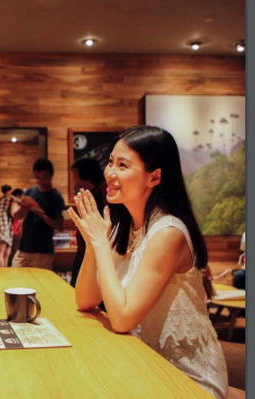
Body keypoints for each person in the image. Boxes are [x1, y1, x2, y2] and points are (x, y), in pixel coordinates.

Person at [70, 126, 228, 399]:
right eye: (110, 162)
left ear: (154, 177)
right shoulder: (126, 226)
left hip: (186, 376)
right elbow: (86, 300)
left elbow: (122, 319)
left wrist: (99, 242)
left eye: (123, 165)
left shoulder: (169, 232)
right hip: (141, 360)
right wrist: (93, 245)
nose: (110, 173)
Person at [12, 159, 66, 269]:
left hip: (43, 252)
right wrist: (24, 206)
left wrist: (42, 215)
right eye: (38, 178)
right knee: (14, 279)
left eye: (44, 178)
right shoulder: (29, 192)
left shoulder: (56, 197)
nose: (41, 181)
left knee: (38, 284)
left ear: (51, 175)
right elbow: (17, 216)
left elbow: (60, 226)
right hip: (23, 249)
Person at [69, 158, 107, 287]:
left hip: (97, 255)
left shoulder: (104, 195)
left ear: (87, 176)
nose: (75, 181)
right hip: (84, 251)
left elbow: (100, 226)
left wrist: (78, 223)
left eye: (76, 177)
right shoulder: (92, 193)